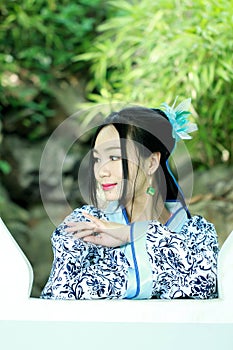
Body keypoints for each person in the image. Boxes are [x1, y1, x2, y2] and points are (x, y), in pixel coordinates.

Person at [41, 99, 219, 300]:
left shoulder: (196, 232)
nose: (101, 171)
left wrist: (132, 234)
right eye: (98, 159)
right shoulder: (86, 225)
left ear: (151, 162)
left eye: (115, 157)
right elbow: (59, 295)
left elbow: (202, 285)